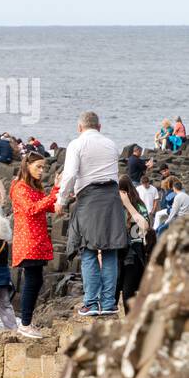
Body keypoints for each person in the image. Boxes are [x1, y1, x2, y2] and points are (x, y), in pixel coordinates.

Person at [57, 111, 126, 317]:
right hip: (112, 199)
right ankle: (108, 303)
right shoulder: (111, 144)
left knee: (88, 250)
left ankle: (91, 303)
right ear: (100, 126)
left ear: (80, 127)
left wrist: (61, 199)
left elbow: (69, 175)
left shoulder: (76, 144)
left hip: (89, 199)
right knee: (110, 251)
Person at [9, 152, 58, 339]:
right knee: (31, 281)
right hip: (28, 240)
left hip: (37, 240)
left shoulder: (34, 188)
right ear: (27, 166)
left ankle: (27, 322)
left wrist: (60, 193)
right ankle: (25, 324)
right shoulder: (19, 188)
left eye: (43, 167)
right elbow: (31, 209)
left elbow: (49, 207)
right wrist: (55, 191)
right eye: (38, 166)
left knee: (36, 280)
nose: (41, 170)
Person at [116, 177, 154, 313]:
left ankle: (130, 323)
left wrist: (128, 205)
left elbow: (145, 226)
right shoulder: (115, 205)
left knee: (127, 292)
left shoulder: (137, 205)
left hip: (133, 253)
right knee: (117, 291)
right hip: (118, 252)